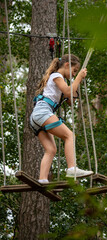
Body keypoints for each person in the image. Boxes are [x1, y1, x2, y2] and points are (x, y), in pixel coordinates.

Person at [30, 54, 93, 183]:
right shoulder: (57, 76)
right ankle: (71, 168)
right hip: (43, 112)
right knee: (69, 136)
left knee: (51, 149)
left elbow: (70, 100)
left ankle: (42, 179)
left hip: (36, 117)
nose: (75, 74)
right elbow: (68, 91)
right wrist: (78, 78)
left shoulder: (60, 80)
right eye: (74, 71)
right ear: (67, 65)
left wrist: (76, 83)